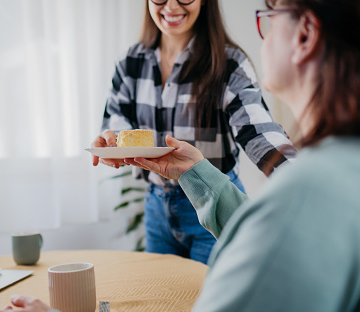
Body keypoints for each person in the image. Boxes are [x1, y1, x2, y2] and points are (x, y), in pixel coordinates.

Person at [0, 0, 360, 312]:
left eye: (266, 15)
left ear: (304, 35)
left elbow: (262, 139)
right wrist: (195, 171)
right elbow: (115, 122)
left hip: (204, 214)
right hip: (165, 195)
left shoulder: (309, 194)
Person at [91, 0, 296, 264]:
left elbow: (258, 132)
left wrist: (300, 178)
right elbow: (116, 119)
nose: (172, 6)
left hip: (213, 203)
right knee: (163, 301)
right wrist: (111, 141)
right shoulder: (130, 62)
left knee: (208, 300)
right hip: (156, 208)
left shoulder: (229, 62)